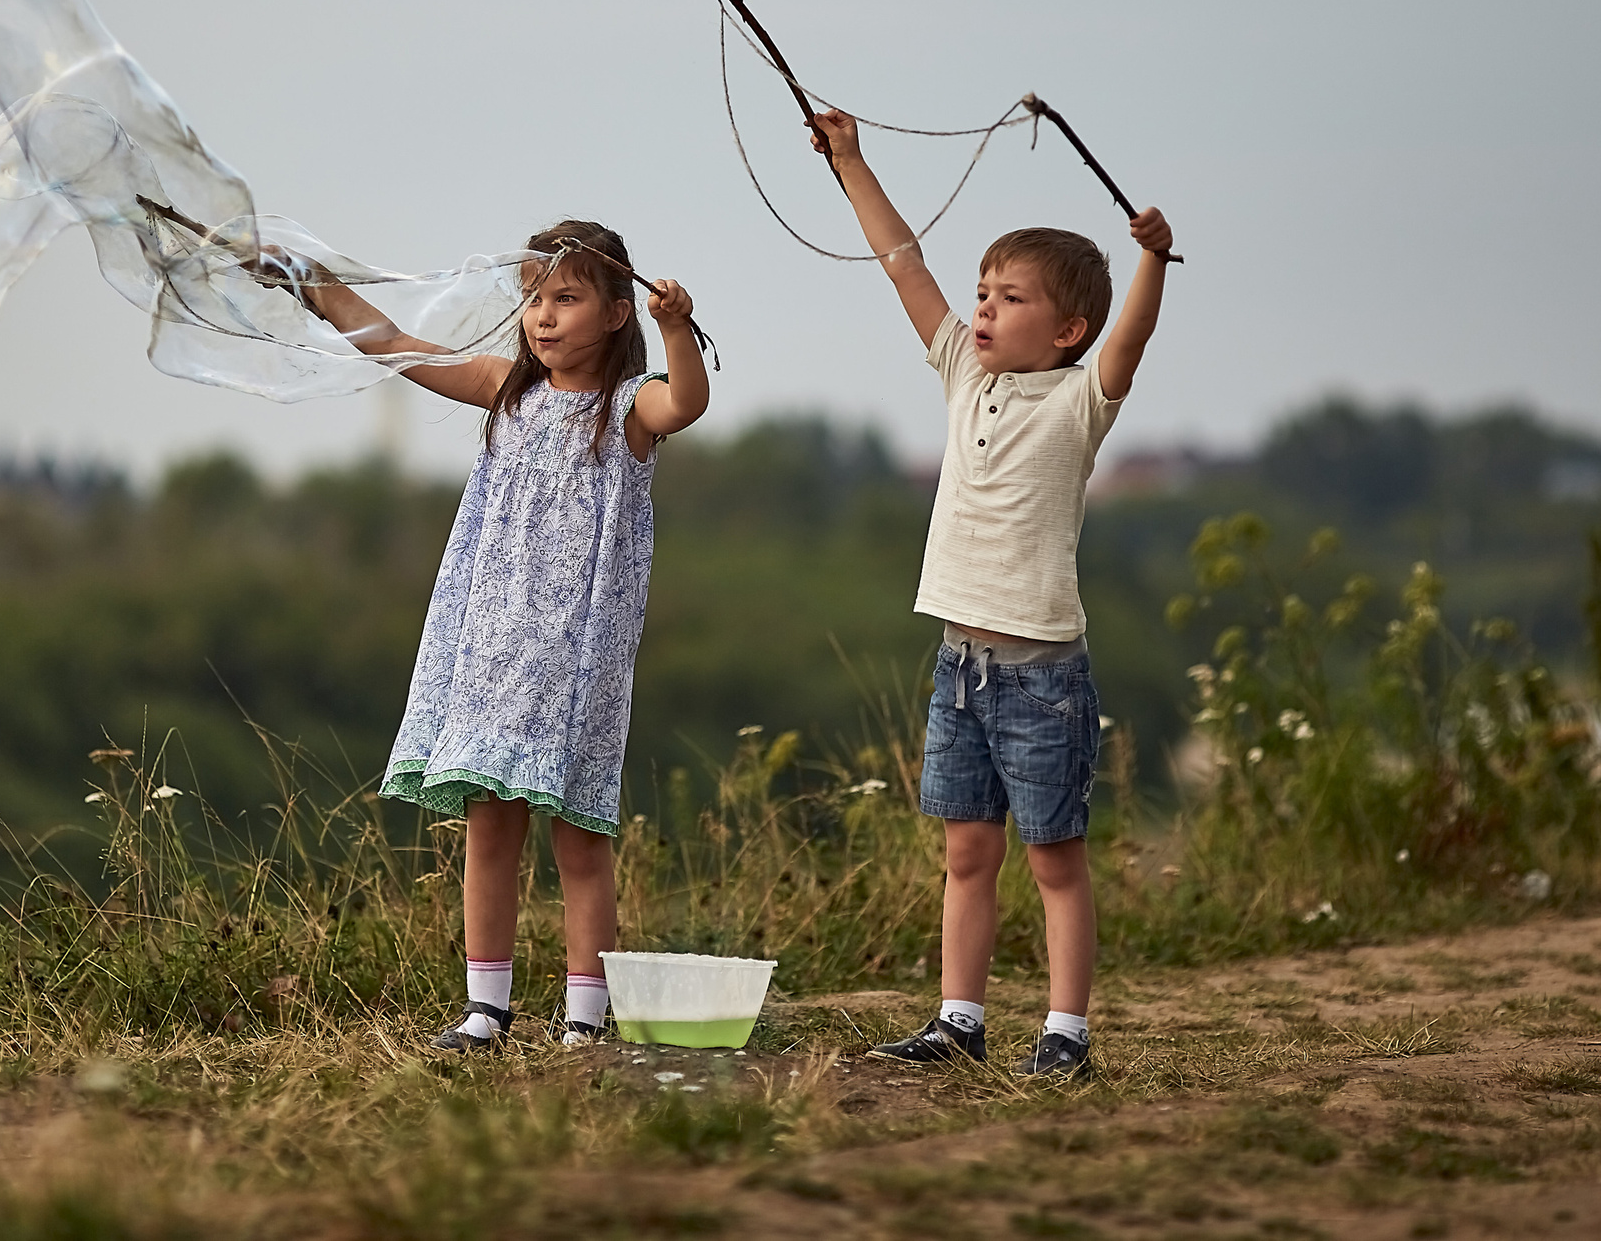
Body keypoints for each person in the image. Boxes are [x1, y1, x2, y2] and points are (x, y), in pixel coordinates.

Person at [806, 107, 1173, 1080]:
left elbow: (1129, 345)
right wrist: (850, 162)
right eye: (982, 292)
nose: (981, 308)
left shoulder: (1079, 400)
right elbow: (902, 262)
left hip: (1041, 675)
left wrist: (1150, 261)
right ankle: (957, 1022)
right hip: (957, 666)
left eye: (1008, 298)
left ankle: (1064, 1035)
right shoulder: (963, 372)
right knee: (966, 853)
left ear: (1066, 329)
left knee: (1054, 861)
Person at [295, 219, 710, 1049]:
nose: (543, 317)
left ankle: (586, 1019)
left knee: (580, 839)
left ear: (616, 313)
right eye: (532, 300)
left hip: (577, 658)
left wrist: (678, 328)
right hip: (489, 646)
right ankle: (487, 1008)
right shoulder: (504, 389)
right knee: (489, 826)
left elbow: (687, 401)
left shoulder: (626, 410)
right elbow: (399, 346)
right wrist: (312, 284)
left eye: (566, 298)